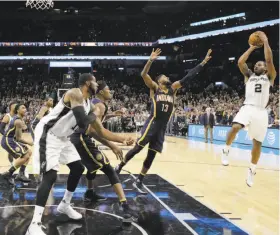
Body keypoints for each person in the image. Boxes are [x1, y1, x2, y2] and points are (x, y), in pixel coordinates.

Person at [26, 73, 137, 235]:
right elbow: (83, 122)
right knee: (50, 175)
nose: (97, 85)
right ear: (87, 83)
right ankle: (34, 224)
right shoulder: (75, 93)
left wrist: (122, 140)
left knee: (78, 168)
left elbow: (100, 130)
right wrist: (97, 112)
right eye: (94, 82)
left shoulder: (89, 105)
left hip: (63, 138)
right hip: (48, 134)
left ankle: (64, 204)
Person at [115, 48, 212, 193]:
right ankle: (119, 167)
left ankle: (139, 180)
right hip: (152, 122)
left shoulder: (173, 89)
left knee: (152, 154)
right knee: (137, 148)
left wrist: (203, 63)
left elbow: (188, 77)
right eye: (165, 76)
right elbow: (143, 74)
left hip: (162, 126)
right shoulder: (154, 88)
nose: (168, 77)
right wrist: (150, 60)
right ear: (159, 81)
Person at [221, 32, 277, 187]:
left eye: (260, 65)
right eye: (256, 64)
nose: (257, 65)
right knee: (235, 127)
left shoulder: (270, 77)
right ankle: (226, 149)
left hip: (261, 112)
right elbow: (240, 62)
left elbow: (269, 59)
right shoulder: (249, 75)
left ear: (265, 69)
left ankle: (252, 170)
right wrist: (251, 48)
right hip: (247, 107)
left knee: (257, 144)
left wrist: (265, 42)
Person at [0, 104, 33, 185]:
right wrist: (29, 142)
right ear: (17, 110)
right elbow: (19, 138)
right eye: (23, 108)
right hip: (8, 140)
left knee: (29, 152)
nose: (25, 109)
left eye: (25, 107)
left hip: (12, 140)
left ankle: (20, 174)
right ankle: (9, 173)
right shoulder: (18, 121)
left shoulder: (20, 119)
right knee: (25, 155)